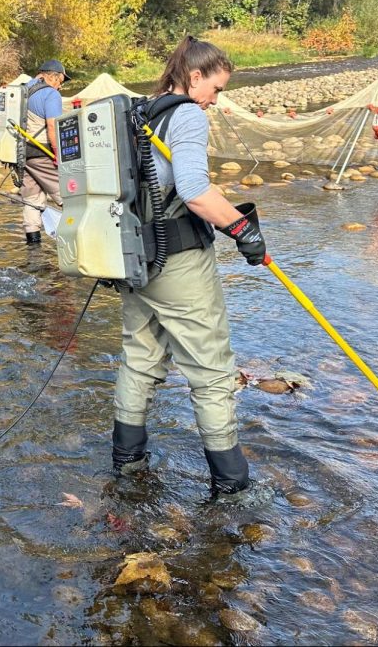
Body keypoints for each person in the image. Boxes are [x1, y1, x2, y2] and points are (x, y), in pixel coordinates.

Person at [111, 36, 267, 500]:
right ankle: (233, 488)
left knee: (139, 359)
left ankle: (127, 464)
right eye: (215, 89)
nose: (215, 101)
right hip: (178, 261)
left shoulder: (142, 111)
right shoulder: (187, 115)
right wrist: (243, 230)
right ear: (194, 76)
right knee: (213, 373)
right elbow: (195, 190)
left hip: (135, 259)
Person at [19, 59, 67, 245]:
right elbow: (52, 126)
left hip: (20, 153)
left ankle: (33, 243)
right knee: (64, 194)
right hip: (41, 151)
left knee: (32, 198)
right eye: (60, 81)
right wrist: (58, 155)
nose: (59, 86)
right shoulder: (50, 94)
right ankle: (80, 236)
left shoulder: (22, 89)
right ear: (52, 77)